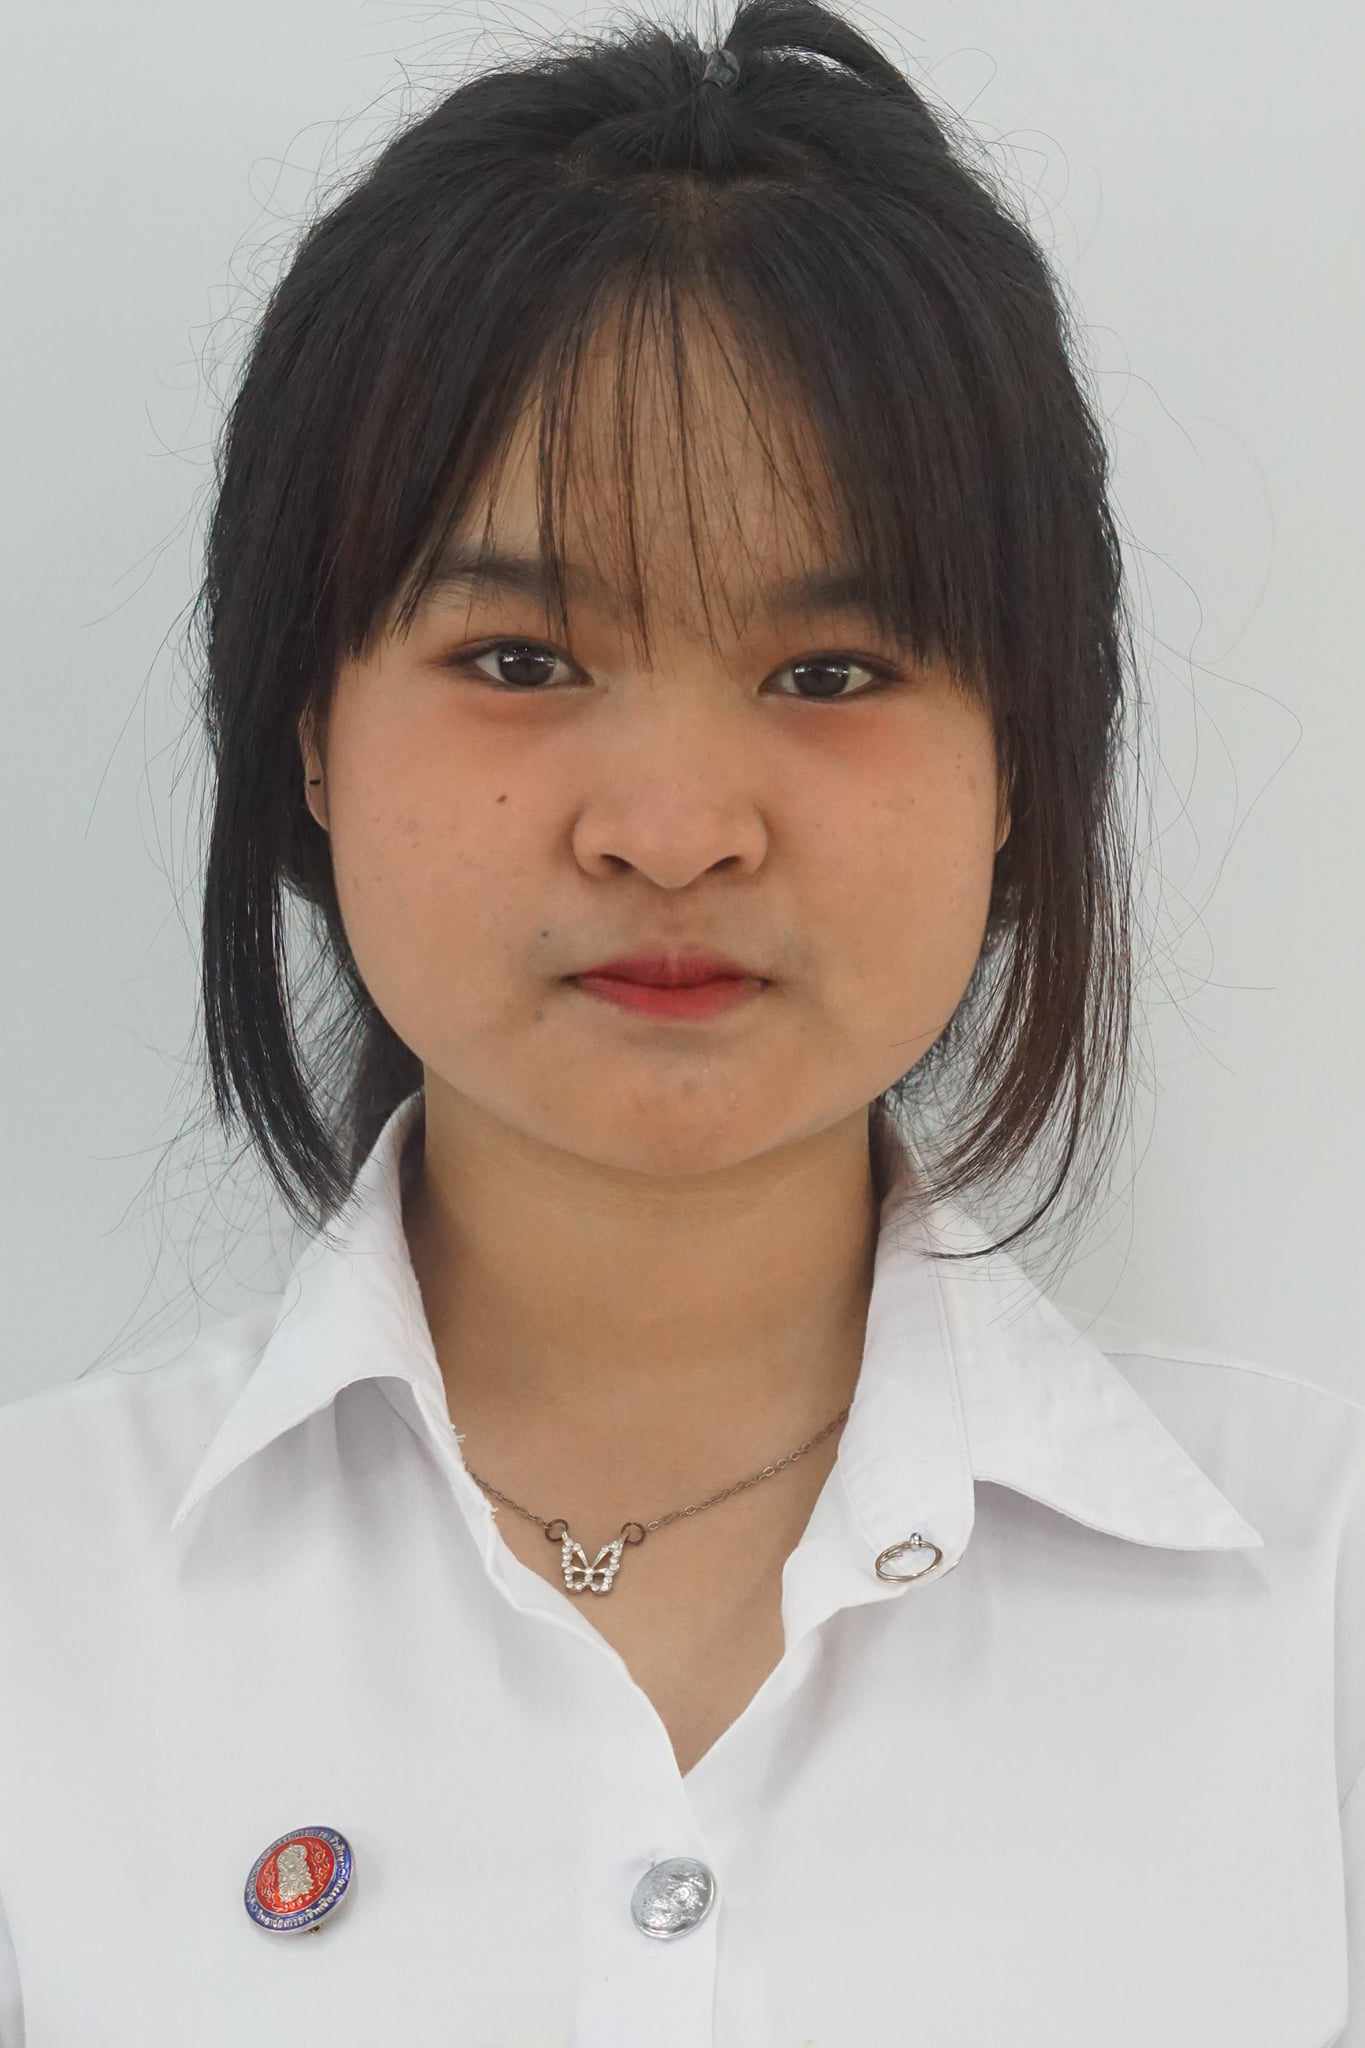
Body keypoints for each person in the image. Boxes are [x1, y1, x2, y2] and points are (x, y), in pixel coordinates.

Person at [1, 1, 1361, 2039]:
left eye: (828, 673)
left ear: (1017, 764)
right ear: (307, 728)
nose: (669, 828)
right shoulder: (39, 1603)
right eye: (519, 656)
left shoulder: (1310, 1608)